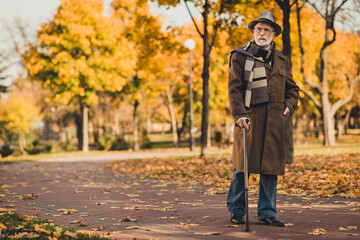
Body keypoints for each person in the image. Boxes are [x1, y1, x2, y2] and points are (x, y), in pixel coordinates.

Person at [227, 11, 299, 227]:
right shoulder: (240, 55)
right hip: (249, 119)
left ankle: (267, 212)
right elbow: (234, 88)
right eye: (258, 29)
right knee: (242, 167)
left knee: (270, 168)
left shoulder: (282, 59)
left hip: (275, 121)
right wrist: (239, 114)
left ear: (274, 34)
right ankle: (236, 210)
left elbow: (293, 89)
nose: (262, 32)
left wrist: (289, 106)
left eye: (267, 29)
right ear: (253, 31)